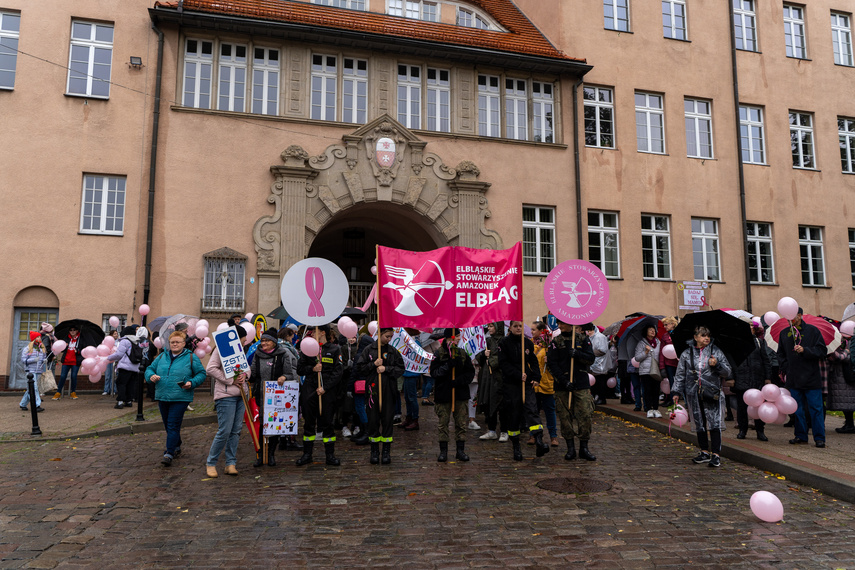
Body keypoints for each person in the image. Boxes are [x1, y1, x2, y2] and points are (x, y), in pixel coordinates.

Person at [672, 326, 733, 468]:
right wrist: (676, 392)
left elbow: (727, 371)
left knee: (714, 423)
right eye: (703, 335)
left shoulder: (716, 352)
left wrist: (717, 365)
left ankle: (716, 454)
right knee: (700, 422)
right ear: (695, 337)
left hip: (712, 393)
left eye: (708, 335)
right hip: (693, 393)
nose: (706, 338)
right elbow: (680, 374)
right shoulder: (687, 353)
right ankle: (704, 451)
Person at [144, 330, 207, 466]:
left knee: (172, 424)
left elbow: (201, 373)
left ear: (184, 343)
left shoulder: (190, 357)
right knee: (168, 424)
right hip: (163, 396)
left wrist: (192, 382)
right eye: (172, 342)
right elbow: (149, 369)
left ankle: (169, 453)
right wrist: (151, 376)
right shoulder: (162, 357)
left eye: (178, 342)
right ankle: (176, 444)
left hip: (180, 397)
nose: (175, 344)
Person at [497, 320, 548, 460]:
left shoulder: (528, 343)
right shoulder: (504, 343)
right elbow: (503, 364)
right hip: (512, 384)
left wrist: (536, 377)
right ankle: (516, 448)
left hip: (527, 383)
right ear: (511, 328)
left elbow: (533, 361)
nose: (518, 328)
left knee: (532, 410)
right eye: (515, 326)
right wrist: (517, 374)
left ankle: (539, 441)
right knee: (514, 415)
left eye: (520, 326)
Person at [777, 308, 827, 448]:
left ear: (800, 315)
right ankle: (800, 435)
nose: (790, 320)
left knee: (816, 409)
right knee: (796, 409)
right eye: (787, 318)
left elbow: (822, 351)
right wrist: (786, 367)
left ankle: (819, 438)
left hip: (811, 377)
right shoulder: (784, 333)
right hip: (794, 378)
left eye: (792, 317)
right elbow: (780, 354)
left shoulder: (812, 331)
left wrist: (806, 350)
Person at [547, 320, 597, 461]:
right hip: (563, 385)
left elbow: (591, 359)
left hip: (581, 383)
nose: (560, 326)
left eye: (562, 324)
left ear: (571, 324)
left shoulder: (582, 339)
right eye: (559, 324)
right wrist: (563, 381)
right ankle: (570, 448)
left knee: (585, 415)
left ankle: (584, 447)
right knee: (565, 417)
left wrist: (578, 354)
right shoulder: (556, 342)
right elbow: (551, 364)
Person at [355, 327, 405, 464]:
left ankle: (386, 452)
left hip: (388, 391)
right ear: (380, 334)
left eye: (391, 337)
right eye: (387, 336)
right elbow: (360, 368)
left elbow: (401, 368)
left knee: (388, 421)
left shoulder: (392, 351)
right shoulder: (369, 350)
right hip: (373, 391)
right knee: (373, 420)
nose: (389, 339)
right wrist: (373, 365)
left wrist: (386, 369)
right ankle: (374, 451)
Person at [295, 324, 343, 466]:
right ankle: (307, 454)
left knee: (327, 422)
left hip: (327, 390)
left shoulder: (334, 349)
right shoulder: (307, 349)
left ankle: (330, 455)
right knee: (309, 422)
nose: (311, 334)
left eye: (314, 332)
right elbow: (300, 369)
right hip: (310, 388)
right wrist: (312, 368)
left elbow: (338, 372)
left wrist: (325, 388)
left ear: (322, 332)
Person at [205, 328, 250, 477]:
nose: (244, 344)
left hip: (241, 395)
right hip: (226, 396)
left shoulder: (239, 350)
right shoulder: (220, 349)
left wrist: (245, 375)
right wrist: (230, 380)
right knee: (225, 430)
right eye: (242, 341)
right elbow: (210, 368)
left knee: (236, 431)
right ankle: (211, 463)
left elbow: (246, 368)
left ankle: (230, 463)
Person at [253, 330, 298, 467]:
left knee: (273, 426)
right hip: (261, 394)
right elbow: (253, 373)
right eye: (262, 341)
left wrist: (284, 377)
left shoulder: (282, 354)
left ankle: (271, 453)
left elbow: (290, 374)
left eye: (267, 340)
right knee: (261, 426)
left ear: (274, 342)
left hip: (277, 395)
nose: (264, 343)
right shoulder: (258, 355)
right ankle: (261, 455)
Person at [430, 328, 475, 462]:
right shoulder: (439, 354)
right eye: (457, 337)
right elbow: (434, 373)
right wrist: (448, 365)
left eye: (460, 337)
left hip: (459, 393)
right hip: (444, 393)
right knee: (443, 423)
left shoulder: (462, 353)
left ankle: (460, 450)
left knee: (460, 423)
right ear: (449, 338)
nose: (459, 339)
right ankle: (443, 451)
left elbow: (470, 373)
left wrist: (459, 381)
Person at [732, 323, 772, 441]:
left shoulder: (759, 342)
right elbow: (731, 362)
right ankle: (742, 430)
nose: (749, 329)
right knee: (742, 407)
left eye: (751, 327)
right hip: (741, 378)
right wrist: (732, 377)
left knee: (758, 406)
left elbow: (766, 361)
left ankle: (760, 431)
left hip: (757, 378)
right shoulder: (737, 343)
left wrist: (767, 378)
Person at [476, 322, 506, 441]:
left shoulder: (504, 341)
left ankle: (504, 431)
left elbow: (506, 358)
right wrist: (484, 354)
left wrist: (493, 361)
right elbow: (478, 356)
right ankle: (492, 430)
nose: (489, 328)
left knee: (502, 405)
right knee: (489, 403)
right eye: (488, 326)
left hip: (500, 377)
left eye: (491, 326)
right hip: (488, 377)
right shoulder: (487, 341)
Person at [532, 322, 558, 447]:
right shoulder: (531, 344)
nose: (532, 332)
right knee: (533, 410)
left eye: (534, 329)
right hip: (534, 383)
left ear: (541, 330)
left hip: (547, 382)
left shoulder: (550, 345)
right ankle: (534, 435)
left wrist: (551, 359)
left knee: (549, 410)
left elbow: (556, 365)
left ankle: (553, 436)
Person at [106, 325, 144, 409]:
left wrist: (108, 358)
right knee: (131, 384)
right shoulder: (137, 341)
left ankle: (120, 402)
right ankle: (128, 401)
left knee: (121, 383)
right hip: (135, 367)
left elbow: (119, 354)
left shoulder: (125, 341)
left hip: (125, 366)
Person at [634, 325, 662, 418]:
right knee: (647, 390)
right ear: (646, 332)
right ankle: (649, 409)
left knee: (656, 390)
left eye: (654, 330)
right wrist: (645, 352)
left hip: (656, 370)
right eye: (650, 330)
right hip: (645, 370)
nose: (652, 332)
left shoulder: (659, 342)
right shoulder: (641, 343)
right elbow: (637, 358)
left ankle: (656, 409)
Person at [20, 332, 46, 412]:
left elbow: (43, 358)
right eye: (37, 337)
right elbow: (23, 360)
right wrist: (33, 360)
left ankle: (23, 404)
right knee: (34, 388)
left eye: (39, 337)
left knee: (30, 389)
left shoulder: (41, 348)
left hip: (38, 370)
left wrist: (44, 360)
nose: (39, 338)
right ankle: (36, 405)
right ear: (33, 339)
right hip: (30, 371)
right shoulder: (27, 348)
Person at [54, 325, 82, 400]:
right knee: (63, 376)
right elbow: (62, 349)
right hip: (66, 360)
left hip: (75, 361)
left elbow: (84, 349)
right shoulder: (66, 338)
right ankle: (58, 392)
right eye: (71, 330)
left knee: (73, 376)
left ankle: (73, 392)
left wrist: (78, 351)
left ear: (77, 331)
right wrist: (64, 346)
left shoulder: (80, 339)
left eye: (74, 330)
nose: (72, 331)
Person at [587, 324, 612, 405]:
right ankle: (596, 396)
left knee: (601, 381)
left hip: (600, 364)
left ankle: (602, 398)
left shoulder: (600, 337)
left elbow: (603, 350)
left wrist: (591, 353)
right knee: (595, 382)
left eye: (590, 330)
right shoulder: (591, 337)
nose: (589, 332)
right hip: (594, 363)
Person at [659, 317, 680, 395]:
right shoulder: (664, 336)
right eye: (664, 325)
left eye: (666, 325)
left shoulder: (679, 334)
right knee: (671, 384)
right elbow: (662, 352)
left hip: (679, 363)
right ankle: (673, 403)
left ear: (673, 324)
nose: (664, 327)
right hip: (669, 364)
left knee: (681, 383)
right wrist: (662, 367)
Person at [102, 330, 119, 396]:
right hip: (107, 360)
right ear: (111, 335)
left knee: (114, 376)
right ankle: (106, 390)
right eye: (115, 334)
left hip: (115, 360)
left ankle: (113, 390)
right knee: (107, 375)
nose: (116, 335)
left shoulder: (118, 342)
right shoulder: (106, 342)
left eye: (117, 334)